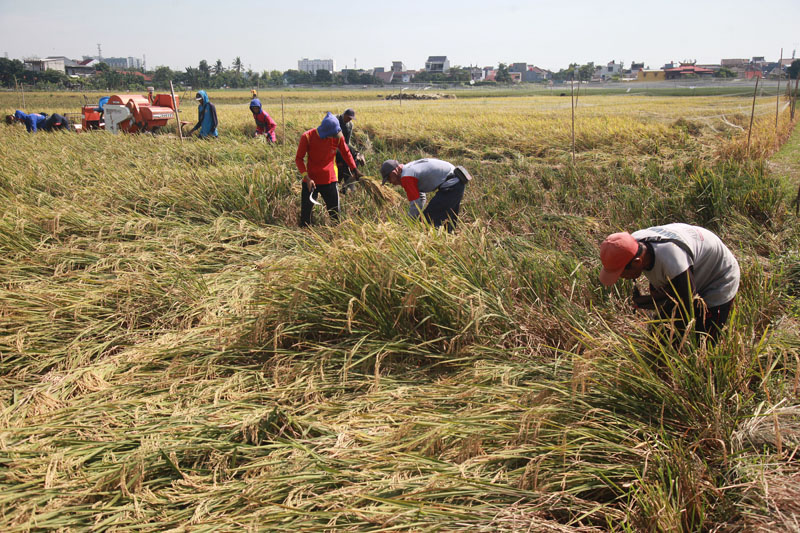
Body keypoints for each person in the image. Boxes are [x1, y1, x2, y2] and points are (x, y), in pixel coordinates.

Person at [599, 223, 740, 343]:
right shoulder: (632, 244)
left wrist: (664, 345)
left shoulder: (672, 260)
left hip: (718, 278)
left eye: (621, 273)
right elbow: (670, 297)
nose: (621, 278)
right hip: (693, 267)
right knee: (662, 331)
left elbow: (687, 308)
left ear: (637, 262)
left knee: (703, 341)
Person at [295, 112, 362, 227]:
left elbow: (346, 153)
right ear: (325, 133)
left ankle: (336, 238)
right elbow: (299, 159)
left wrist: (354, 169)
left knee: (335, 217)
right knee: (305, 218)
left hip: (330, 180)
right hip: (311, 181)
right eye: (332, 135)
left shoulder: (337, 137)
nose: (335, 137)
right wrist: (307, 177)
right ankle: (305, 235)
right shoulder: (307, 137)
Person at [380, 158, 471, 232]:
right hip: (456, 183)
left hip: (451, 186)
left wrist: (409, 223)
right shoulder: (408, 170)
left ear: (393, 173)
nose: (391, 182)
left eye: (388, 179)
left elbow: (415, 203)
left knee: (426, 224)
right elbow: (421, 198)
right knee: (447, 226)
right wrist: (416, 216)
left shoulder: (406, 177)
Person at [336, 108, 365, 193]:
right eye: (348, 117)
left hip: (343, 146)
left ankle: (347, 185)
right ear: (344, 115)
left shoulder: (350, 125)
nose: (349, 119)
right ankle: (347, 186)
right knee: (347, 161)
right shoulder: (335, 120)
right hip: (333, 145)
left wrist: (355, 152)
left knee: (356, 158)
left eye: (351, 118)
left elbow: (347, 141)